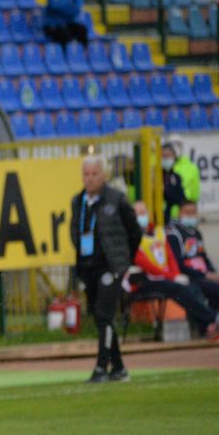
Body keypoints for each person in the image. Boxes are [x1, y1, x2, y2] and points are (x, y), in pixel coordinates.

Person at [70, 155, 142, 383]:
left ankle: (101, 367)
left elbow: (134, 231)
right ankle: (118, 367)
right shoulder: (77, 201)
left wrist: (124, 260)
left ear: (104, 175)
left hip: (111, 267)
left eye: (94, 174)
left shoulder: (116, 199)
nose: (90, 179)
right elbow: (75, 231)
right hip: (88, 266)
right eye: (86, 174)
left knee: (104, 313)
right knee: (100, 317)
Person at [126, 202, 218, 338]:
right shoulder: (129, 235)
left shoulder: (158, 232)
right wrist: (171, 276)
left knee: (190, 287)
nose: (141, 216)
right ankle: (212, 319)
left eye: (143, 212)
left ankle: (207, 326)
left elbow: (170, 256)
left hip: (164, 277)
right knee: (180, 289)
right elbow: (143, 262)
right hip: (142, 281)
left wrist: (175, 275)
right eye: (138, 213)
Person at [167, 201, 219, 311]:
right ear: (180, 213)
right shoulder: (174, 234)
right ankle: (210, 318)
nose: (190, 216)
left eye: (193, 212)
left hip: (203, 275)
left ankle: (212, 315)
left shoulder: (196, 233)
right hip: (189, 276)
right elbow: (179, 264)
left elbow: (204, 257)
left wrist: (213, 273)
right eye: (187, 212)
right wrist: (206, 275)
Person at [161, 135, 201, 223]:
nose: (176, 147)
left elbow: (192, 195)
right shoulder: (156, 174)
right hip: (161, 216)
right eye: (164, 156)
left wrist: (189, 211)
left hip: (181, 215)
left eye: (178, 144)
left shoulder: (187, 169)